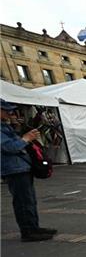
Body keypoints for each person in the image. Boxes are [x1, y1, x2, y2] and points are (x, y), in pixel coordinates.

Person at [1, 100, 57, 242]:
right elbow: (9, 147)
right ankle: (28, 231)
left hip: (21, 167)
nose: (10, 113)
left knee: (29, 200)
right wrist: (25, 139)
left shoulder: (5, 126)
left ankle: (34, 227)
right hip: (14, 168)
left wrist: (18, 128)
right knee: (23, 201)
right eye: (6, 110)